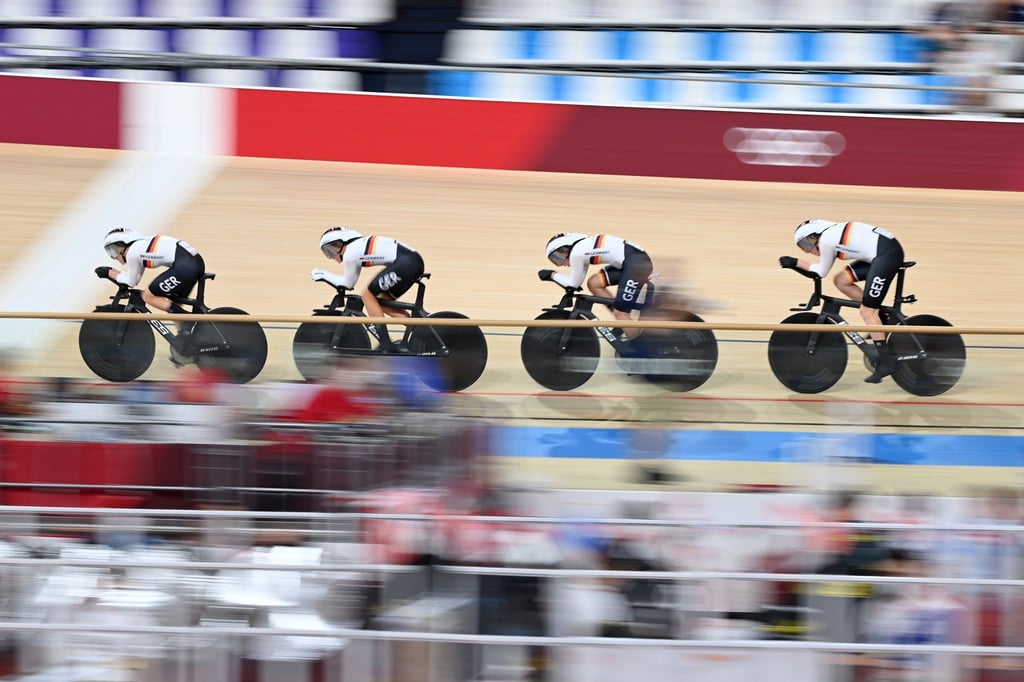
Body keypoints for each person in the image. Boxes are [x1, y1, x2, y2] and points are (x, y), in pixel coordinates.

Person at [780, 219, 905, 383]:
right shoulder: (831, 234)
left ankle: (886, 362)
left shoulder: (826, 240)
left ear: (815, 235)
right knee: (841, 280)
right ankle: (878, 318)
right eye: (803, 247)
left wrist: (794, 262)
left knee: (867, 311)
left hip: (886, 256)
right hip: (882, 253)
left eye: (806, 243)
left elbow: (820, 272)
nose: (808, 250)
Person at [95, 228, 205, 361]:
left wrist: (108, 273)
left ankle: (187, 321)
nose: (114, 256)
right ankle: (185, 343)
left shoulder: (132, 253)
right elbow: (134, 279)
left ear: (123, 245)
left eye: (113, 250)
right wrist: (113, 272)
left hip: (186, 266)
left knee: (148, 296)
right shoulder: (140, 247)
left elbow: (130, 281)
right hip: (192, 263)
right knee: (173, 302)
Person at [310, 227, 425, 351]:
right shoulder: (358, 245)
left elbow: (347, 284)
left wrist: (322, 274)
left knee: (367, 296)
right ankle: (421, 328)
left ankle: (386, 343)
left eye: (331, 250)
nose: (331, 256)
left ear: (342, 242)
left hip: (406, 264)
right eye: (327, 252)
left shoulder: (350, 252)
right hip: (410, 262)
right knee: (378, 304)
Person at [538, 233, 654, 340]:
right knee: (594, 283)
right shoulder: (581, 247)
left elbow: (573, 284)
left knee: (621, 313)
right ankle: (623, 322)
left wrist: (552, 275)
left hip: (636, 263)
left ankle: (639, 350)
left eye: (558, 256)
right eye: (555, 260)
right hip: (632, 260)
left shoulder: (576, 253)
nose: (561, 263)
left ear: (568, 246)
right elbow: (577, 281)